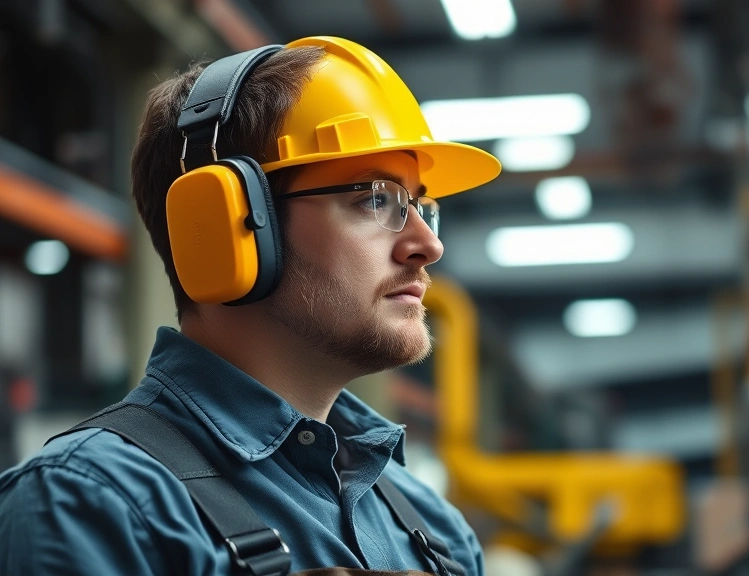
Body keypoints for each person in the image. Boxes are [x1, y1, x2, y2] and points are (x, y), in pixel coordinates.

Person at [0, 36, 501, 575]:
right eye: (375, 199)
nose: (428, 244)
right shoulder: (89, 506)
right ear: (228, 224)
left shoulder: (437, 530)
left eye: (422, 206)